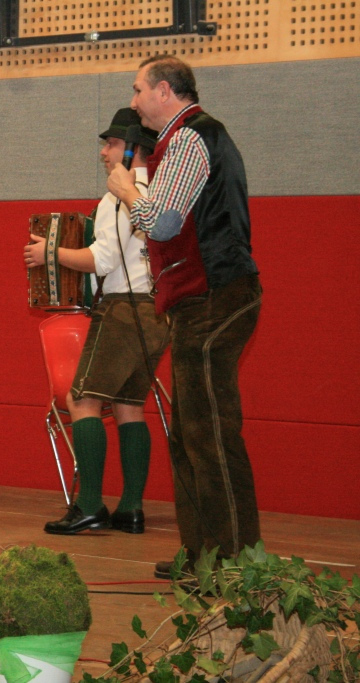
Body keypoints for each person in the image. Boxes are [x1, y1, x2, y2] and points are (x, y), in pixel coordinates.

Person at [107, 55, 262, 579]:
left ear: (164, 91)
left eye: (137, 90)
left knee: (210, 434)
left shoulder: (190, 138)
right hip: (202, 300)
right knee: (190, 435)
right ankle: (203, 557)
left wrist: (128, 191)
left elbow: (164, 222)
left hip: (215, 297)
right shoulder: (184, 139)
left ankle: (234, 565)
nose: (133, 102)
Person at [25, 108, 171, 536]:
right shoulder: (159, 192)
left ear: (133, 149)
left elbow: (102, 260)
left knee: (82, 400)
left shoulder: (117, 196)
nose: (105, 153)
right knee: (129, 405)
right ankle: (131, 509)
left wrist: (49, 253)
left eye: (112, 144)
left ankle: (89, 504)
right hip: (157, 311)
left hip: (122, 309)